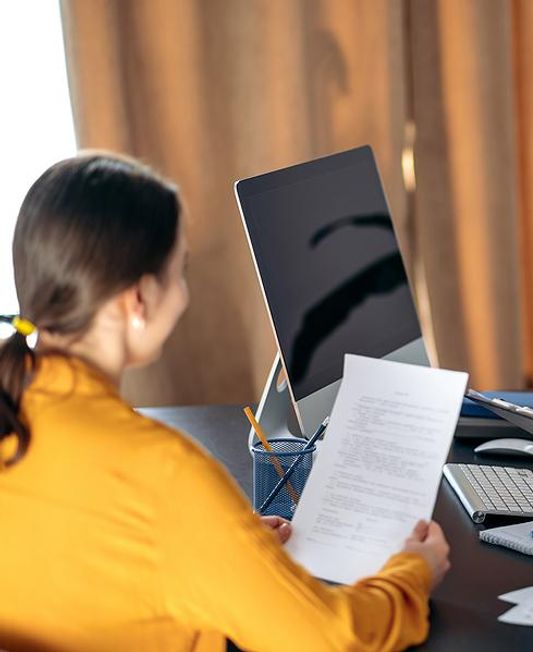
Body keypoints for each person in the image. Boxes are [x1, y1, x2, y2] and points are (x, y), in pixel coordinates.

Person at [0, 153, 450, 651]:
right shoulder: (163, 474)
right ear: (139, 301)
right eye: (180, 271)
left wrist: (220, 541)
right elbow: (330, 640)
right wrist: (412, 573)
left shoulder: (16, 416)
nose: (185, 294)